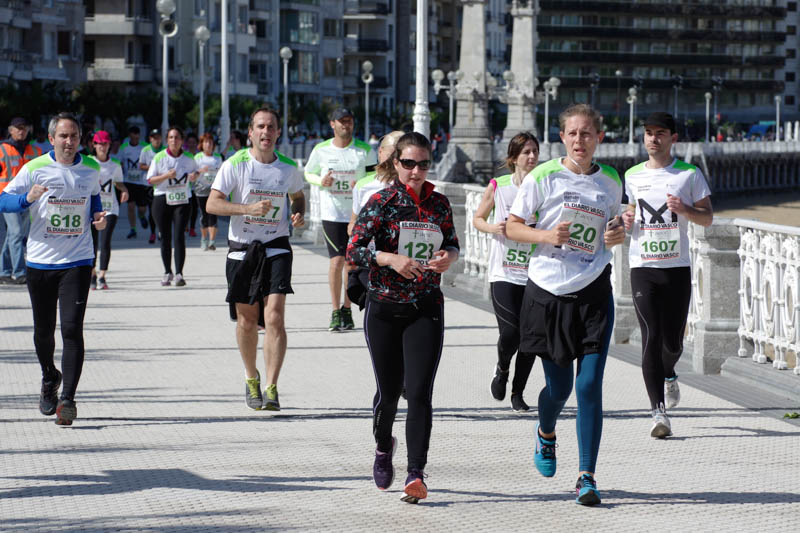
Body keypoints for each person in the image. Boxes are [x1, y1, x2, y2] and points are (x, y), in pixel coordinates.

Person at [506, 104, 626, 506]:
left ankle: (586, 476)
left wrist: (617, 234)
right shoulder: (543, 177)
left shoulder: (611, 180)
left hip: (593, 290)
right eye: (573, 133)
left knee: (588, 385)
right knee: (559, 389)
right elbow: (512, 226)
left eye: (587, 133)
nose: (580, 140)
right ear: (562, 137)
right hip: (547, 291)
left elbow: (614, 225)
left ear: (599, 138)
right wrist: (546, 236)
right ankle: (545, 433)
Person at [347, 132, 459, 504]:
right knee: (390, 393)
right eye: (409, 163)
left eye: (423, 164)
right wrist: (390, 259)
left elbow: (452, 243)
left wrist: (448, 258)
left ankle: (415, 474)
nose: (416, 171)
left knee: (421, 393)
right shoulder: (381, 202)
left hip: (425, 306)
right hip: (384, 307)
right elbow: (354, 250)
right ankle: (383, 446)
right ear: (396, 163)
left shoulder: (439, 203)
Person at [0, 112, 108, 425]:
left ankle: (68, 401)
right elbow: (3, 200)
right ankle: (50, 377)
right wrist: (26, 198)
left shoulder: (91, 168)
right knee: (43, 332)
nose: (69, 141)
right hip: (40, 262)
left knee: (72, 329)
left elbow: (94, 200)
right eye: (63, 136)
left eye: (74, 136)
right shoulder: (35, 168)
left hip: (78, 260)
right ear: (51, 139)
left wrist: (97, 217)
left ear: (80, 139)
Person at [206, 107, 305, 412]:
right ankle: (252, 377)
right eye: (260, 126)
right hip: (243, 249)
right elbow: (212, 204)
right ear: (250, 132)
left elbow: (298, 196)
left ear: (278, 132)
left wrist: (298, 213)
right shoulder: (235, 164)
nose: (266, 132)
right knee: (247, 321)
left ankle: (272, 387)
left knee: (274, 316)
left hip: (277, 246)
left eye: (271, 127)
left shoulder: (288, 168)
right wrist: (246, 209)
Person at [622, 112, 713, 439]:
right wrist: (625, 221)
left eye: (660, 133)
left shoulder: (689, 174)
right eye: (648, 132)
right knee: (651, 335)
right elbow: (630, 212)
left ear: (673, 138)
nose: (653, 138)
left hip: (676, 268)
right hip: (642, 267)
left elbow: (707, 217)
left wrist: (685, 210)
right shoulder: (632, 175)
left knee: (672, 342)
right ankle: (658, 413)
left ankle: (670, 372)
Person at [472, 131, 540, 412]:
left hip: (535, 273)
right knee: (511, 332)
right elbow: (478, 218)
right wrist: (493, 227)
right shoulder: (499, 186)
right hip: (504, 272)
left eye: (535, 151)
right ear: (513, 158)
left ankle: (518, 392)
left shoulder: (543, 187)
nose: (532, 157)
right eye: (526, 152)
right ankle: (502, 369)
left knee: (530, 338)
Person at [305, 107, 377, 331]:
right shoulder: (321, 149)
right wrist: (320, 181)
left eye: (349, 120)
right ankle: (335, 311)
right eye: (341, 121)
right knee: (336, 261)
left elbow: (374, 175)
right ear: (332, 124)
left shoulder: (365, 150)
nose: (346, 124)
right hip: (332, 213)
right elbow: (308, 172)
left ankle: (347, 309)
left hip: (356, 214)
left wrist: (361, 183)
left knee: (350, 262)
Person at [346, 130, 404, 310]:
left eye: (400, 154)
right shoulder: (364, 185)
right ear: (380, 152)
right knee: (376, 306)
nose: (394, 158)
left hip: (402, 260)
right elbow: (353, 222)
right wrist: (360, 233)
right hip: (372, 260)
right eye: (392, 152)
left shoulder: (410, 185)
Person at [146, 126, 199, 287]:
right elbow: (150, 180)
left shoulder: (189, 157)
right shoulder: (159, 157)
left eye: (177, 137)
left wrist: (194, 176)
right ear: (167, 140)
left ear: (182, 140)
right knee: (165, 237)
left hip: (182, 200)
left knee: (179, 236)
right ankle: (167, 271)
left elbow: (196, 173)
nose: (174, 140)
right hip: (162, 199)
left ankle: (179, 273)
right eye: (170, 137)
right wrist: (166, 176)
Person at [1, 117, 42, 284]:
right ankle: (19, 273)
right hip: (7, 198)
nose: (21, 131)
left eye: (24, 128)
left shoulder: (35, 151)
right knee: (17, 233)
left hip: (27, 198)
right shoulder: (2, 150)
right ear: (10, 130)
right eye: (18, 128)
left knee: (14, 235)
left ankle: (4, 271)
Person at [89, 130, 129, 290]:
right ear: (94, 145)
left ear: (109, 145)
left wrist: (124, 190)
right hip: (92, 209)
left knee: (105, 242)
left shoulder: (115, 164)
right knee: (92, 243)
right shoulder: (88, 162)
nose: (102, 147)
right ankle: (92, 273)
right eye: (99, 144)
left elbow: (118, 182)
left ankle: (102, 276)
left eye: (105, 144)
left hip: (110, 208)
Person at [118, 126, 151, 240]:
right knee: (130, 206)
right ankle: (133, 229)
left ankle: (141, 216)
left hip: (142, 181)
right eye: (133, 136)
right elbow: (120, 161)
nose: (135, 138)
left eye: (137, 136)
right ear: (130, 136)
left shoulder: (144, 147)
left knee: (142, 208)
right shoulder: (124, 147)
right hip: (128, 181)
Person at [193, 133, 223, 251]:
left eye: (210, 142)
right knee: (204, 214)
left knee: (213, 214)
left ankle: (212, 241)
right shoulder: (198, 157)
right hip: (201, 189)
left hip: (214, 189)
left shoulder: (218, 157)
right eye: (206, 142)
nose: (208, 145)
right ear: (202, 144)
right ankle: (204, 239)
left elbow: (222, 173)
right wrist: (201, 170)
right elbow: (193, 174)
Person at [137, 129, 164, 244]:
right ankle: (152, 232)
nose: (156, 140)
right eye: (154, 138)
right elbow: (141, 165)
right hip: (147, 184)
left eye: (158, 137)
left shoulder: (165, 150)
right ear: (150, 139)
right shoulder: (145, 150)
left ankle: (160, 231)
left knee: (161, 210)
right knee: (150, 209)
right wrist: (153, 167)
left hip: (162, 185)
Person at [185, 132, 200, 238]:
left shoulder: (200, 155)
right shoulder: (184, 155)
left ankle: (192, 228)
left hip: (197, 187)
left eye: (194, 142)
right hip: (186, 187)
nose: (192, 144)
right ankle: (185, 224)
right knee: (186, 208)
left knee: (194, 209)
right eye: (189, 142)